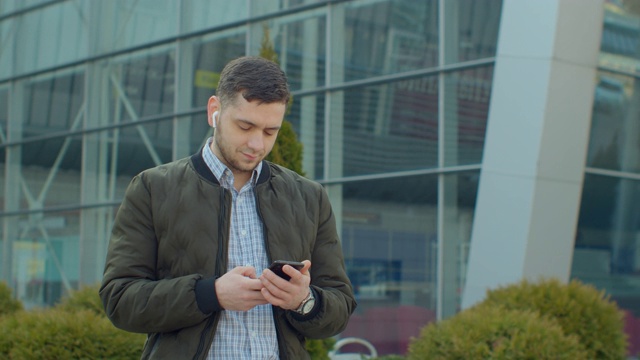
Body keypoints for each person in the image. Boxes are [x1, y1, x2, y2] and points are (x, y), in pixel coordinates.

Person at [99, 56, 356, 359]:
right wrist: (211, 294)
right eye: (245, 126)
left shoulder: (309, 197)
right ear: (214, 111)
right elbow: (119, 299)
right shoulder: (152, 189)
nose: (257, 144)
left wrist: (304, 301)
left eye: (270, 131)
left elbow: (340, 304)